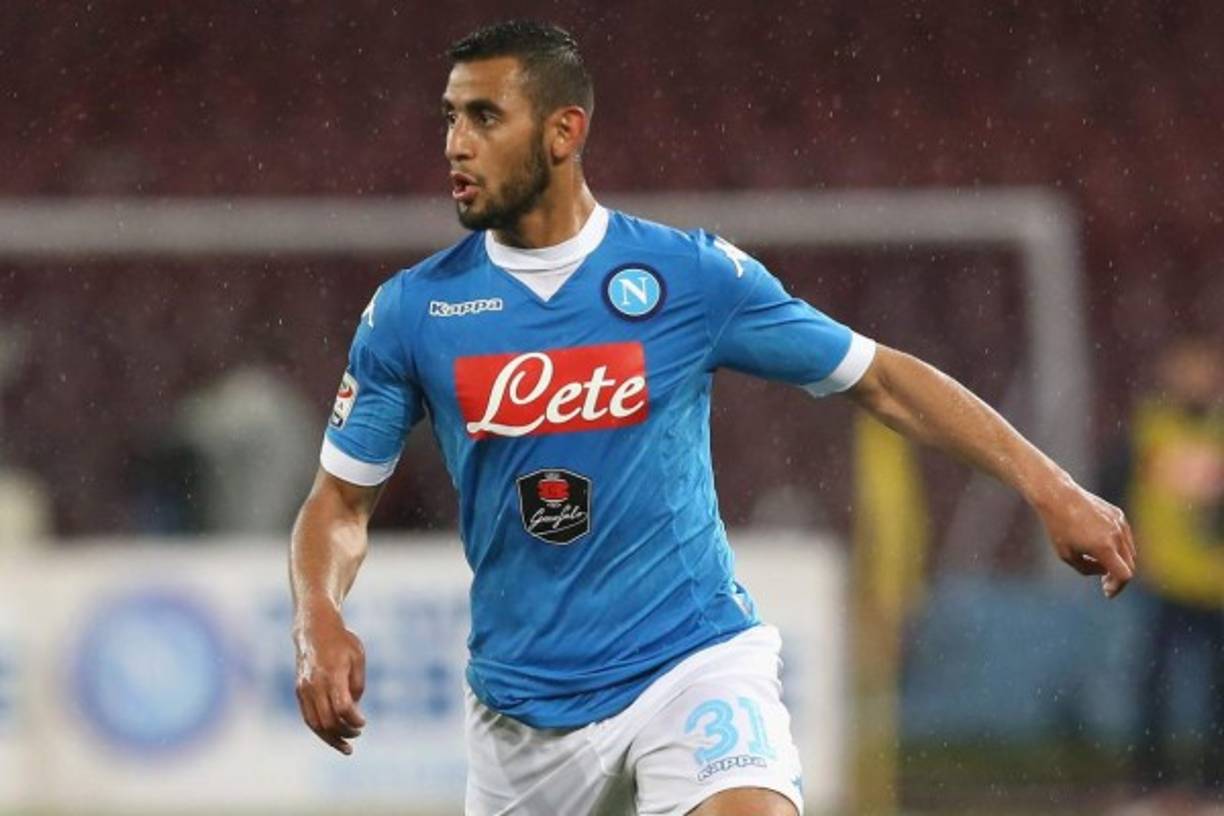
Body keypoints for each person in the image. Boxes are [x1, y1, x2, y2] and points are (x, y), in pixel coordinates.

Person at [289, 20, 1136, 816]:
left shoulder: (688, 278)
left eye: (483, 117)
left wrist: (1050, 485)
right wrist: (318, 617)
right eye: (448, 118)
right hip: (523, 711)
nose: (455, 144)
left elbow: (880, 379)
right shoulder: (415, 311)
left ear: (563, 131)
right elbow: (340, 503)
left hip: (689, 661)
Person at [1106, 337, 1222, 815]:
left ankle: (1214, 788)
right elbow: (1116, 489)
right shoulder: (1149, 429)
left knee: (1217, 694)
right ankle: (1152, 788)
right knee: (1154, 687)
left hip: (1217, 585)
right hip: (1164, 581)